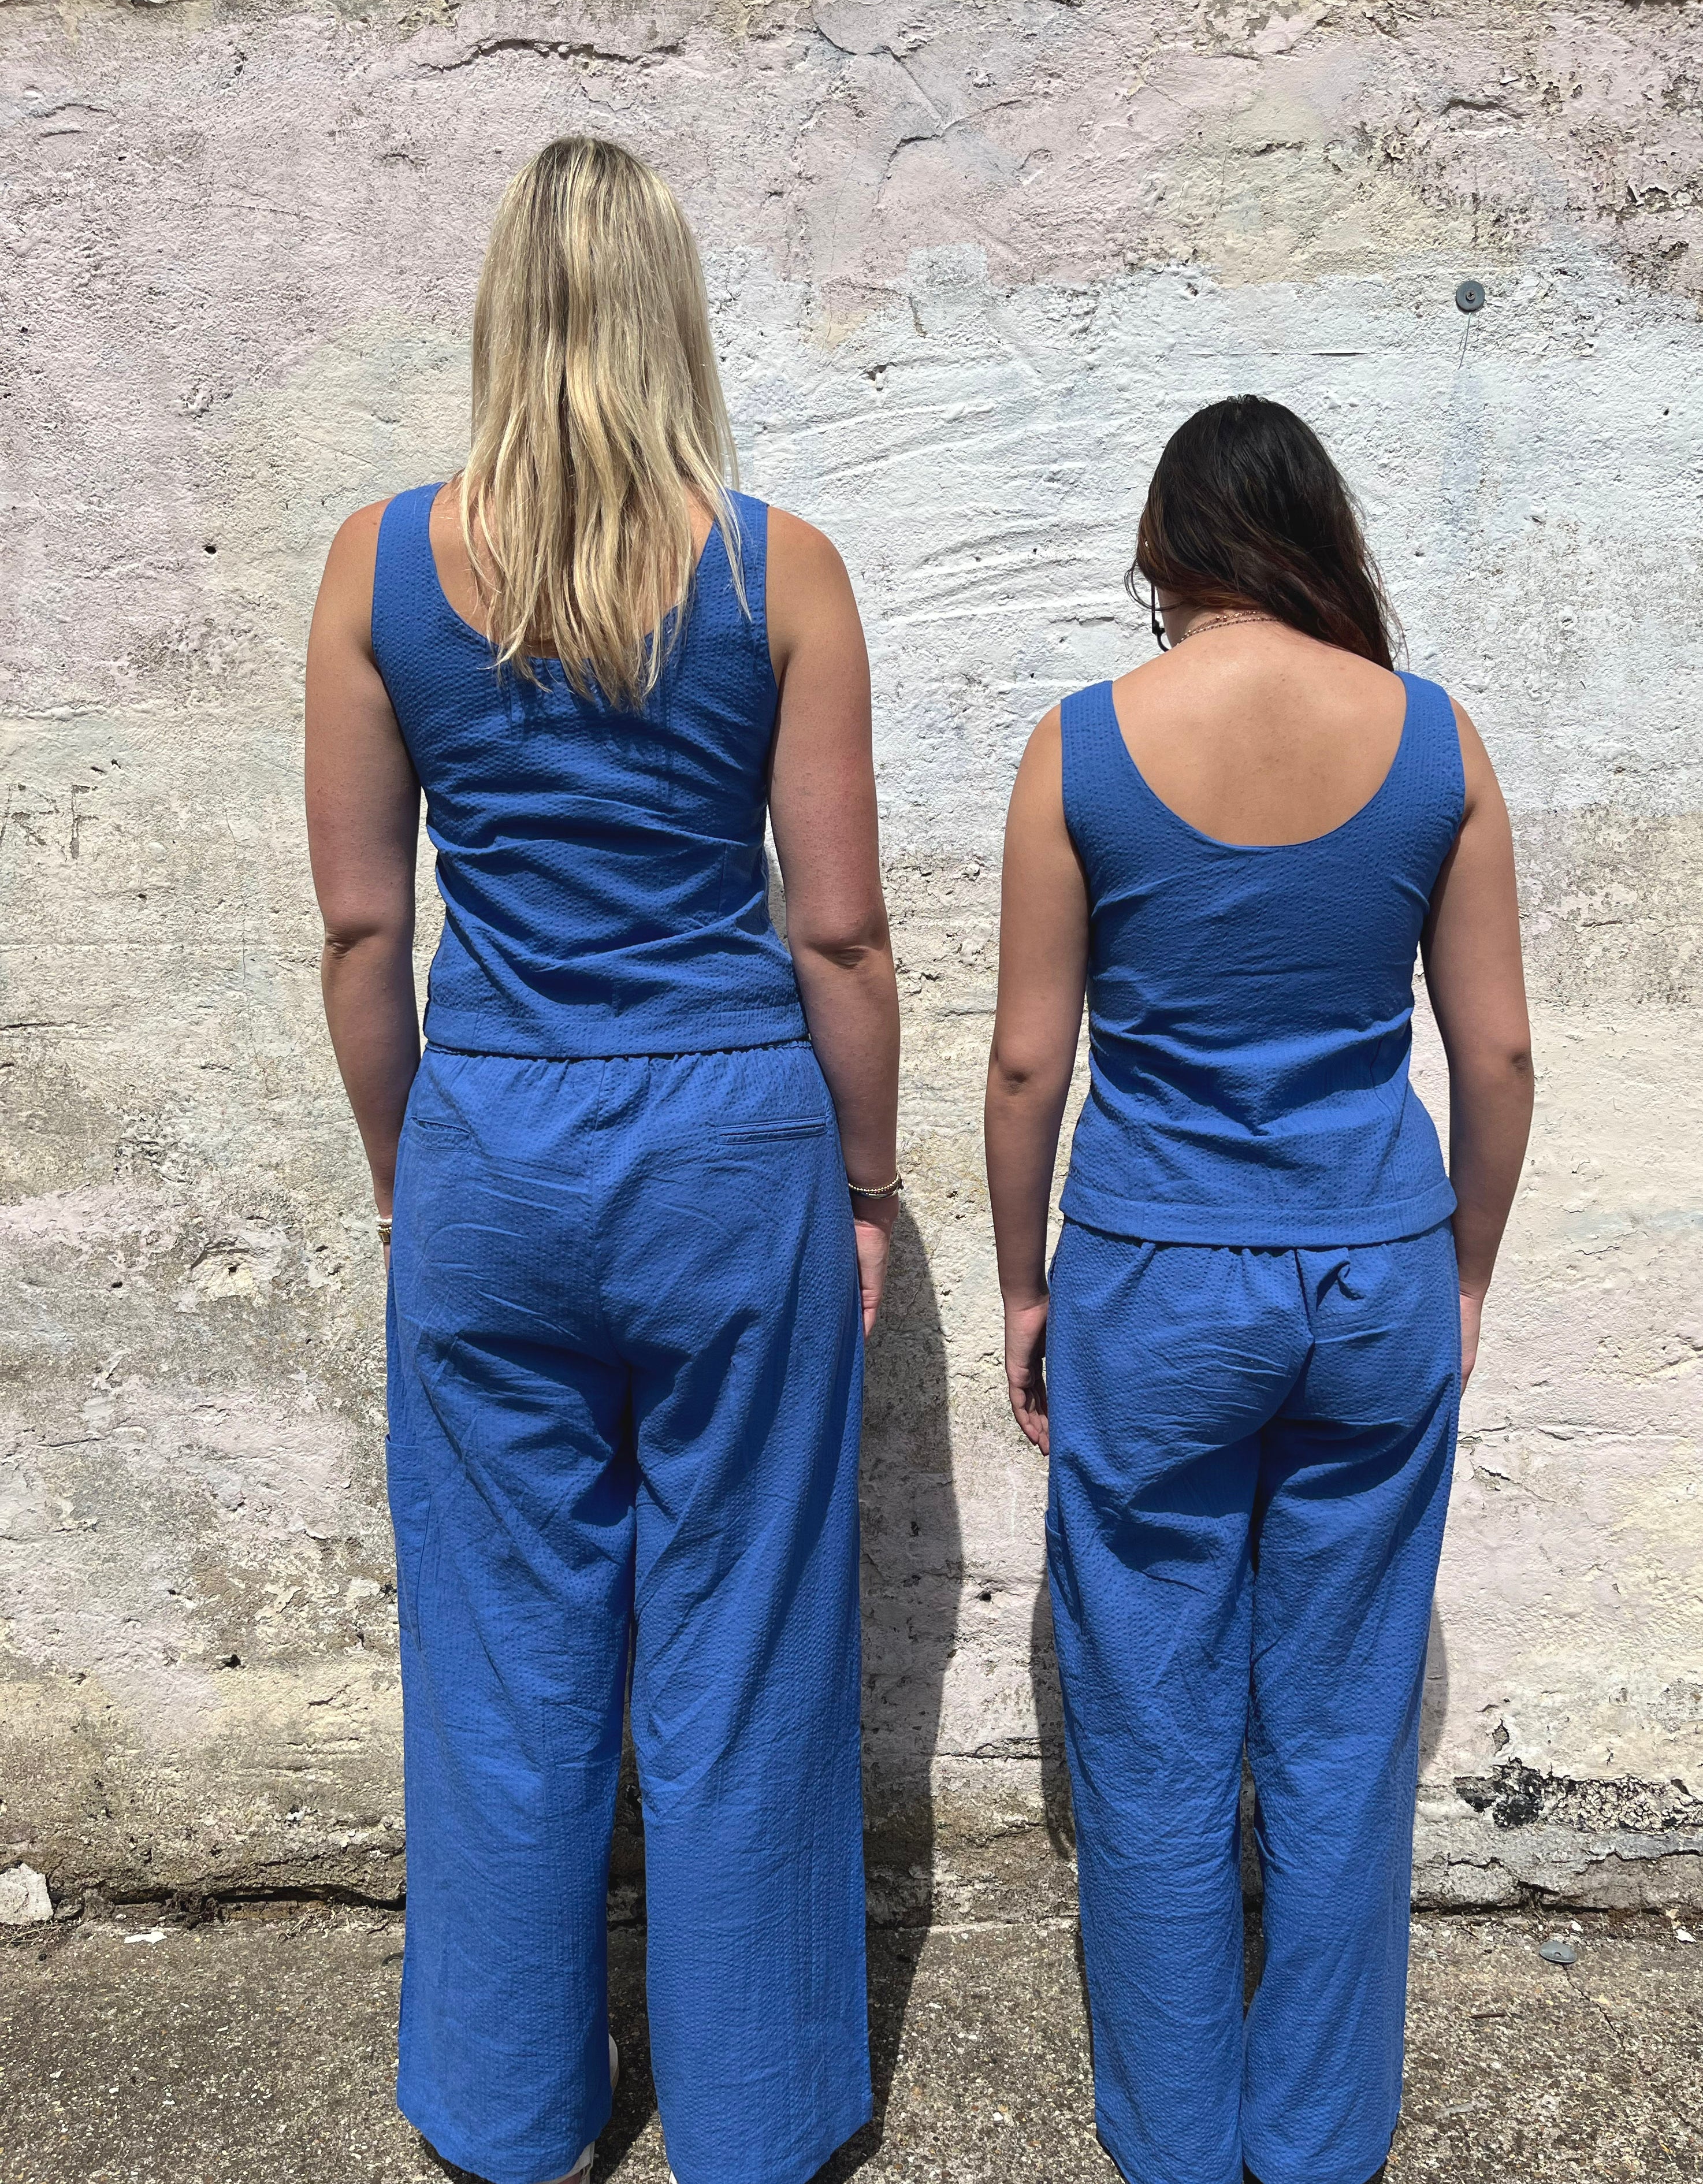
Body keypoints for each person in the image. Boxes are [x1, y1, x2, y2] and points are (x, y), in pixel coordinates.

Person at [304, 137, 899, 2184]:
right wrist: (869, 1183)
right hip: (734, 1142)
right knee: (742, 1638)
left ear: (499, 312)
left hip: (493, 1133)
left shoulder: (380, 567)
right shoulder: (780, 569)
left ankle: (510, 2109)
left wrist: (411, 1171)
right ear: (675, 314)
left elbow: (368, 932)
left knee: (504, 1644)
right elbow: (835, 930)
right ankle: (751, 2119)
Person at [984, 395, 1533, 2184]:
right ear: (1319, 540)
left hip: (1152, 1277)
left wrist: (1016, 1288)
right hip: (1371, 1270)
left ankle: (1170, 2137)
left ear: (1167, 553)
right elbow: (1501, 1055)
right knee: (1343, 1722)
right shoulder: (1438, 743)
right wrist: (1459, 1268)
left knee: (1150, 1725)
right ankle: (1315, 2142)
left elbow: (1021, 1068)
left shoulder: (1078, 750)